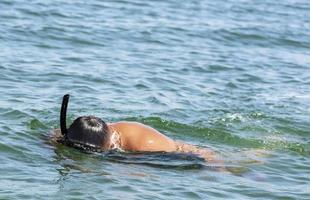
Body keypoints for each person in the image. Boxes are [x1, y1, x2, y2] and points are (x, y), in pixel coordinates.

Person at [53, 94, 220, 163]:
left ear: (109, 145)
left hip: (188, 155)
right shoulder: (83, 131)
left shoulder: (144, 144)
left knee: (222, 167)